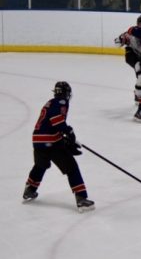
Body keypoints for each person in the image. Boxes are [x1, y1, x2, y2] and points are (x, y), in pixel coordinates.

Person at [23, 82, 95, 213]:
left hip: (37, 140)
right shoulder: (62, 102)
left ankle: (30, 189)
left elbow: (49, 124)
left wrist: (65, 139)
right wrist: (70, 132)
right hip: (50, 141)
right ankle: (81, 198)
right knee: (71, 167)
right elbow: (57, 121)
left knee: (41, 165)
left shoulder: (50, 102)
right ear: (66, 93)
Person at [115, 15, 141, 102]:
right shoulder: (132, 30)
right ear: (137, 23)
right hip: (131, 54)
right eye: (140, 24)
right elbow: (117, 43)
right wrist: (122, 39)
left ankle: (137, 94)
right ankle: (138, 96)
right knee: (140, 72)